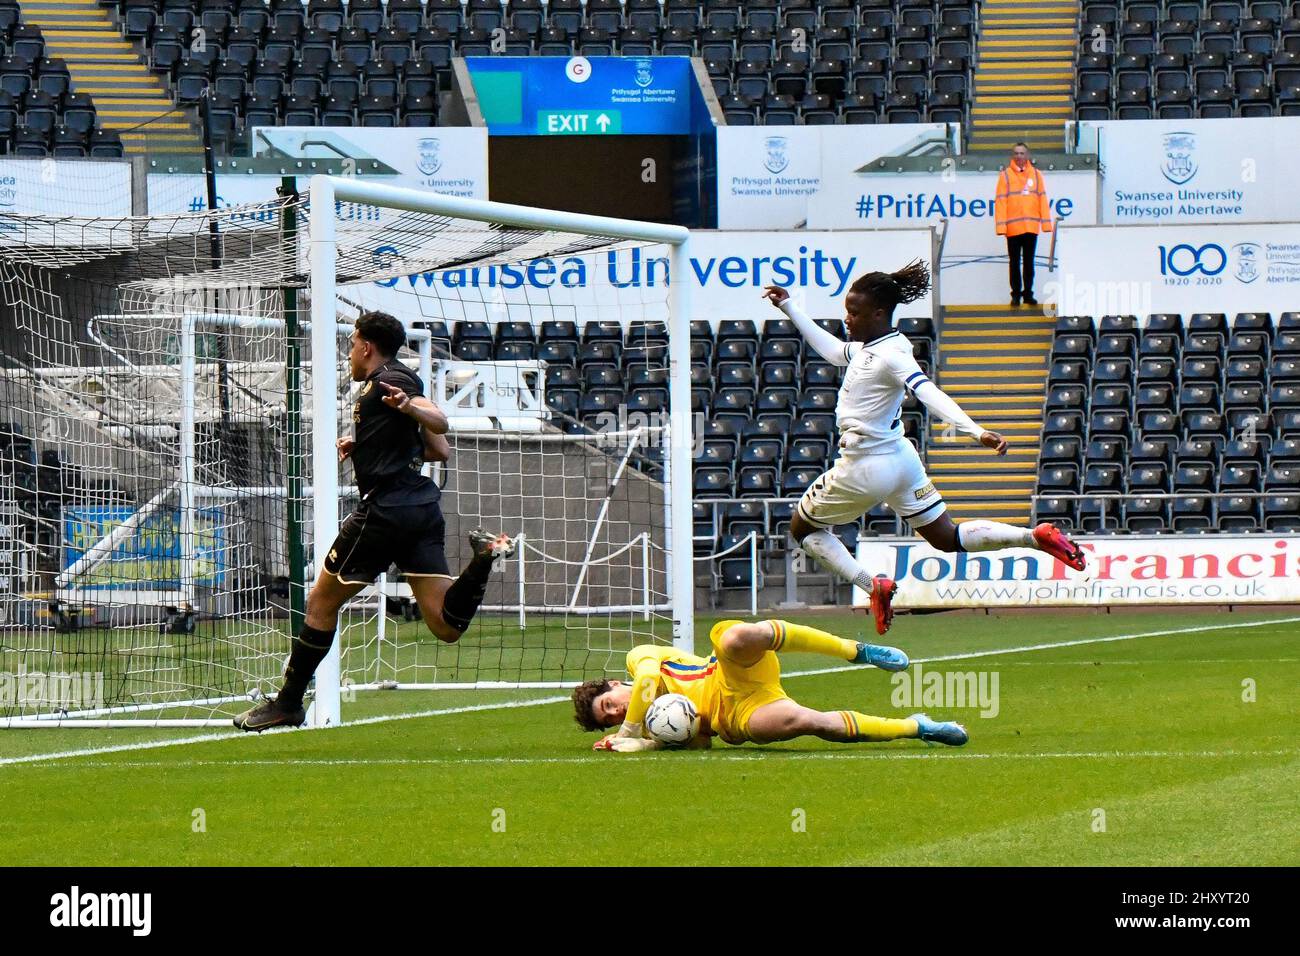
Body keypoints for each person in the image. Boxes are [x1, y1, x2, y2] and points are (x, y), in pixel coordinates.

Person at [763, 262, 1085, 635]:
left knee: (803, 529)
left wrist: (974, 431)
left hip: (865, 465)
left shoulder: (891, 356)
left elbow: (927, 391)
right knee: (945, 537)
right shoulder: (880, 346)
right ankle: (1034, 537)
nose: (847, 319)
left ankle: (872, 585)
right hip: (900, 458)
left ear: (879, 313)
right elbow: (835, 352)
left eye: (854, 312)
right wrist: (790, 307)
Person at [234, 311, 515, 732]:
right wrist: (366, 445)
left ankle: (288, 703)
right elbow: (439, 452)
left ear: (366, 345)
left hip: (384, 512)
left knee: (321, 603)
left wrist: (409, 405)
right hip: (420, 509)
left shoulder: (389, 380)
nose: (349, 352)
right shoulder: (388, 382)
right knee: (444, 625)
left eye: (351, 343)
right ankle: (482, 559)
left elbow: (438, 421)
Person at [573, 618, 968, 752]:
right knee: (809, 722)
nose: (619, 713)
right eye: (610, 719)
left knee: (736, 637)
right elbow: (699, 741)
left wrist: (627, 732)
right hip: (736, 715)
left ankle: (857, 650)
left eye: (610, 704)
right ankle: (917, 726)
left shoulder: (637, 659)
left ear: (613, 683)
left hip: (728, 672)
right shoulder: (648, 726)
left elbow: (646, 680)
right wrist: (644, 742)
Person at [995, 142, 1053, 306]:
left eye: (1022, 153)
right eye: (1016, 153)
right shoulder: (1005, 175)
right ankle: (1015, 294)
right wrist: (1001, 226)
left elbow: (1042, 198)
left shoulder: (1036, 174)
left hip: (1030, 227)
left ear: (1027, 155)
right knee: (1014, 262)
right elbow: (1000, 202)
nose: (1019, 156)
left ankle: (1028, 293)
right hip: (1013, 228)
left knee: (1029, 262)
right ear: (1012, 156)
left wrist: (1046, 224)